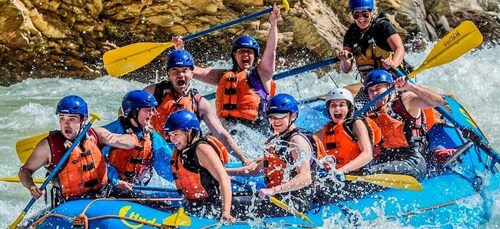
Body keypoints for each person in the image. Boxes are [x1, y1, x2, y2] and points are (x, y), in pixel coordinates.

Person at [172, 4, 281, 131]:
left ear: (255, 56)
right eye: (241, 51)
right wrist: (181, 50)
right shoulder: (223, 76)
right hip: (226, 128)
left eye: (249, 52)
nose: (245, 54)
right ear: (235, 55)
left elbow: (271, 50)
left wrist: (273, 23)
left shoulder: (263, 73)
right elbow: (191, 71)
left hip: (254, 130)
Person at [18, 95, 136, 207]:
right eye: (62, 118)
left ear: (83, 119)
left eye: (72, 119)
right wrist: (31, 186)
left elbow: (131, 142)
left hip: (104, 193)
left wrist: (114, 139)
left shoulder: (95, 134)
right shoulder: (48, 146)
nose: (66, 124)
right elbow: (25, 171)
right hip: (71, 203)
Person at [144, 50, 251, 165]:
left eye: (185, 70)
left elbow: (220, 133)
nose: (180, 75)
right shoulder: (153, 93)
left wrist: (244, 159)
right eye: (175, 71)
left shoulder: (200, 103)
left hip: (183, 154)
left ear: (192, 73)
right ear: (168, 74)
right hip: (155, 149)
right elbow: (125, 112)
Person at [227, 94, 314, 218]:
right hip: (279, 197)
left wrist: (273, 190)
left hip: (295, 203)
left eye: (280, 117)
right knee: (227, 196)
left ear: (293, 116)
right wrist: (226, 172)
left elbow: (305, 178)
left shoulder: (296, 141)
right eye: (272, 117)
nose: (275, 121)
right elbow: (258, 169)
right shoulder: (278, 140)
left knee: (232, 204)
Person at [362, 69, 444, 180]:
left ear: (389, 87)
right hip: (387, 161)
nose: (374, 93)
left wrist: (410, 87)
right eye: (370, 91)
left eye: (378, 88)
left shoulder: (405, 101)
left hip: (412, 161)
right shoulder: (370, 115)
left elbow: (437, 101)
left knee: (367, 173)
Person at [164, 109, 234, 223]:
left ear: (190, 132)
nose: (172, 138)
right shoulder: (182, 150)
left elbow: (224, 179)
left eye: (176, 134)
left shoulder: (201, 149)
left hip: (213, 207)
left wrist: (226, 212)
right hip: (196, 205)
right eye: (170, 134)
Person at [338, 0, 411, 110]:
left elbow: (399, 48)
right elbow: (346, 69)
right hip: (371, 87)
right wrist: (344, 59)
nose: (361, 19)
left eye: (365, 14)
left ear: (371, 12)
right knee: (351, 110)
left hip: (394, 83)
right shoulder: (351, 33)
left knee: (390, 107)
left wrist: (393, 63)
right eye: (356, 15)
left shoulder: (383, 26)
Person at [102, 90, 174, 199]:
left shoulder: (152, 136)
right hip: (109, 186)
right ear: (134, 112)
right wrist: (115, 180)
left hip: (134, 187)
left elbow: (169, 166)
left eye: (152, 110)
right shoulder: (112, 131)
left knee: (167, 200)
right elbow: (97, 159)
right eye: (147, 110)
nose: (152, 113)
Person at [314, 88, 381, 204]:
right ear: (328, 109)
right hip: (340, 177)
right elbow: (306, 140)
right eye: (333, 105)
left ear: (349, 108)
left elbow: (367, 154)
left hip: (360, 177)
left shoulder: (356, 124)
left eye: (341, 105)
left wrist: (342, 170)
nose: (337, 109)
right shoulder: (327, 129)